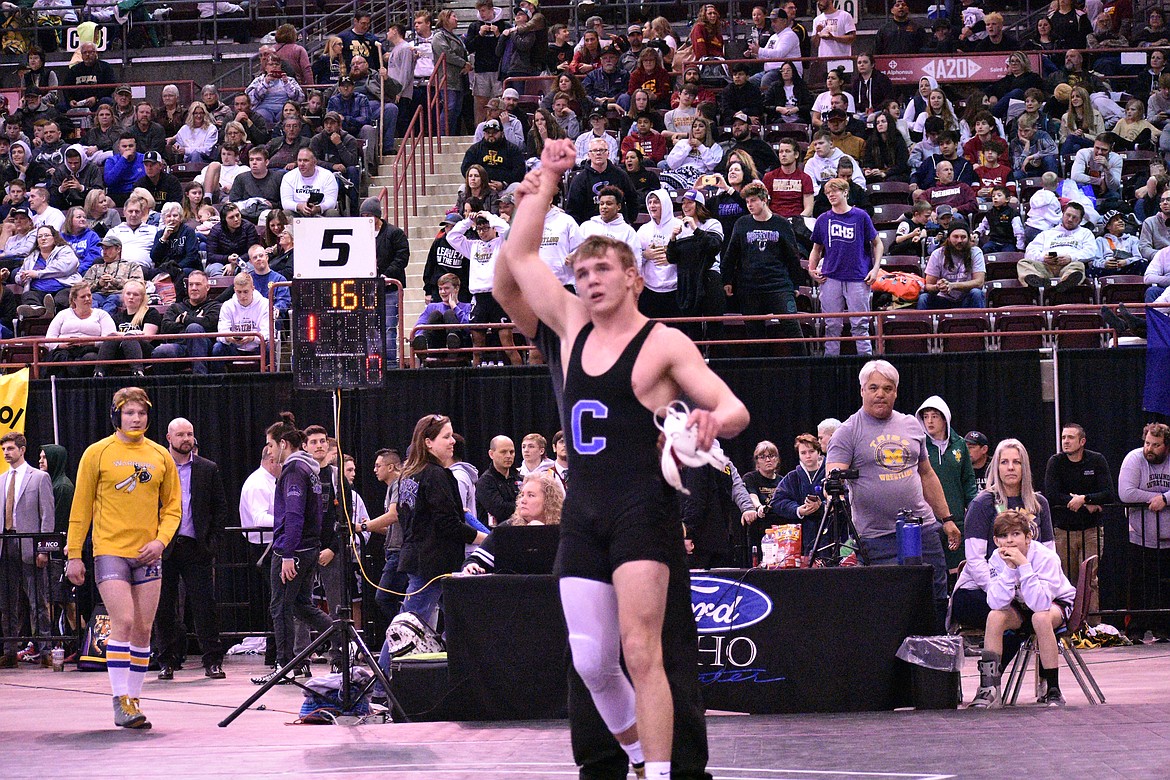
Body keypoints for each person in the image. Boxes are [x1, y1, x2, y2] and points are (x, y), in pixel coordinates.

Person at [493, 138, 750, 780]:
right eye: (580, 274)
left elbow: (733, 407)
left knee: (643, 651)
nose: (589, 282)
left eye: (602, 271)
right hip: (582, 512)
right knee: (590, 660)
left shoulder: (663, 340)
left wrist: (712, 419)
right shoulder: (572, 328)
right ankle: (633, 753)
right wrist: (547, 178)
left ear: (633, 276)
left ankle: (662, 772)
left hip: (642, 510)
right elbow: (519, 257)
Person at [65, 386, 181, 729]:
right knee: (125, 622)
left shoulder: (160, 455)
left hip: (148, 554)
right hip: (110, 551)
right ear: (116, 415)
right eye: (129, 412)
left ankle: (134, 701)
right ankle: (120, 700)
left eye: (141, 413)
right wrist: (74, 554)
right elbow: (81, 507)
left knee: (144, 629)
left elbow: (173, 508)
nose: (136, 418)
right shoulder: (97, 453)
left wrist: (160, 542)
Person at [825, 360, 962, 627]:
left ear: (896, 392)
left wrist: (946, 519)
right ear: (862, 390)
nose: (880, 394)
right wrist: (833, 487)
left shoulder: (911, 425)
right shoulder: (847, 431)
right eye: (873, 387)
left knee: (935, 597)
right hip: (876, 537)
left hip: (922, 531)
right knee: (886, 607)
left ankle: (934, 660)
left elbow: (927, 474)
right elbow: (834, 478)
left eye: (887, 388)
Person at [251, 413, 337, 685]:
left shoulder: (294, 470)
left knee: (281, 607)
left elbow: (295, 513)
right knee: (301, 605)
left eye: (272, 445)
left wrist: (288, 553)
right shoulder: (310, 469)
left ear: (284, 444)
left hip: (295, 551)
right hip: (308, 548)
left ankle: (286, 665)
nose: (269, 450)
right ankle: (343, 639)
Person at [969, 509, 1077, 708]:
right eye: (1003, 536)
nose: (1009, 541)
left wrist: (1024, 566)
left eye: (1015, 534)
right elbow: (995, 602)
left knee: (1040, 619)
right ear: (996, 540)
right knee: (994, 616)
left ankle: (1053, 688)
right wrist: (1010, 569)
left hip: (1055, 603)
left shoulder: (1046, 557)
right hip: (1020, 604)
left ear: (1028, 537)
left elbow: (1041, 604)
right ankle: (989, 688)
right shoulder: (996, 558)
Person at [396, 414, 487, 632]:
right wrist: (488, 540)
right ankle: (385, 667)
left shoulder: (410, 474)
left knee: (463, 621)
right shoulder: (435, 475)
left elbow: (407, 516)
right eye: (446, 437)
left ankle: (462, 663)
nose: (453, 441)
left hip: (423, 559)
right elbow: (449, 524)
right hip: (432, 565)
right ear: (428, 442)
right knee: (408, 628)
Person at [154, 418, 227, 681]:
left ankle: (213, 661)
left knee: (205, 606)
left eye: (190, 434)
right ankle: (166, 661)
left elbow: (220, 509)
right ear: (168, 437)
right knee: (164, 607)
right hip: (165, 547)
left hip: (197, 546)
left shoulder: (208, 469)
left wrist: (212, 544)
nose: (186, 439)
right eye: (181, 434)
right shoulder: (158, 468)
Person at [723, 182, 805, 346]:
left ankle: (805, 370)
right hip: (749, 287)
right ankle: (759, 371)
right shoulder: (742, 223)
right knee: (755, 336)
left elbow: (793, 256)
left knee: (793, 329)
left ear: (764, 200)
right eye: (747, 202)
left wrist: (796, 284)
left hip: (778, 285)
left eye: (753, 200)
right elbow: (731, 254)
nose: (749, 205)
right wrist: (727, 280)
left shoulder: (781, 223)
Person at [808, 178, 881, 357]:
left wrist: (875, 268)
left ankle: (866, 367)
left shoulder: (861, 216)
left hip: (858, 277)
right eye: (828, 192)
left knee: (860, 326)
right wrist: (811, 269)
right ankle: (831, 366)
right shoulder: (823, 219)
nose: (831, 195)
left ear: (845, 192)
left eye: (835, 191)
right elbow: (816, 248)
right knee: (831, 326)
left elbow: (877, 243)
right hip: (831, 276)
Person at [0, 431, 55, 668]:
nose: (6, 453)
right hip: (6, 543)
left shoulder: (39, 477)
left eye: (10, 448)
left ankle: (45, 649)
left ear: (22, 450)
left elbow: (47, 515)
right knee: (8, 603)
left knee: (38, 600)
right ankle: (10, 650)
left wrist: (43, 549)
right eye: (4, 449)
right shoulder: (2, 479)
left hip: (30, 545)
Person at [1044, 423, 1114, 599]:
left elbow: (1109, 494)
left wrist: (1084, 498)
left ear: (1082, 441)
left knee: (1089, 580)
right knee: (1065, 580)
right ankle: (1067, 624)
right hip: (1063, 531)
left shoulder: (1097, 460)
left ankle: (1091, 624)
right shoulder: (1056, 462)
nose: (1065, 441)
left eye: (1070, 437)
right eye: (1063, 437)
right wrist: (1081, 502)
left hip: (1091, 530)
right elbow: (1051, 495)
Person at [1117, 422, 1170, 641]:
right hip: (1140, 538)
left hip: (1168, 541)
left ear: (1166, 446)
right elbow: (1126, 493)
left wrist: (1165, 499)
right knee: (1138, 587)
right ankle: (1135, 631)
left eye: (1156, 445)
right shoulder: (1134, 459)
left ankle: (1164, 630)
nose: (1150, 448)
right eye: (1147, 443)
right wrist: (1154, 498)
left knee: (1166, 588)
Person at [916, 395, 978, 574]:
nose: (929, 421)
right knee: (931, 569)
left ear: (945, 418)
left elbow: (968, 480)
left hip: (956, 518)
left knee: (957, 569)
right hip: (927, 521)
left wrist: (974, 509)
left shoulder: (959, 445)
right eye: (926, 416)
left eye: (934, 416)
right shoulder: (919, 445)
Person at [463, 473, 564, 575]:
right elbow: (475, 560)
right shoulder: (507, 529)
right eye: (522, 495)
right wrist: (472, 565)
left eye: (531, 495)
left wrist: (542, 534)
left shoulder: (564, 531)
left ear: (548, 501)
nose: (523, 500)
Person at [1018, 202, 1094, 292]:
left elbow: (1091, 252)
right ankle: (1039, 282)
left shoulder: (1085, 233)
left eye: (1075, 217)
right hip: (1045, 267)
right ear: (1062, 214)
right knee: (1023, 263)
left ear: (1080, 220)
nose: (1070, 219)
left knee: (1079, 266)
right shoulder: (1047, 233)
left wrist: (1071, 258)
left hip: (1068, 266)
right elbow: (1030, 251)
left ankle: (1066, 284)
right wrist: (1043, 257)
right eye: (1068, 215)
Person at [771, 434, 826, 555]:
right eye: (803, 452)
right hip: (802, 537)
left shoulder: (830, 472)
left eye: (811, 451)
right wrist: (798, 510)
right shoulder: (793, 477)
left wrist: (823, 506)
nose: (808, 456)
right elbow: (777, 502)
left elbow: (846, 497)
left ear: (818, 451)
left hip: (828, 533)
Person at [94, 279, 158, 377]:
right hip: (121, 353)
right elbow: (109, 336)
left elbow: (148, 337)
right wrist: (134, 333)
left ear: (142, 298)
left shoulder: (151, 312)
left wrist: (124, 335)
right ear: (123, 296)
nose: (131, 297)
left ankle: (138, 372)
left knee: (129, 338)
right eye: (128, 294)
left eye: (135, 295)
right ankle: (99, 372)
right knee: (112, 339)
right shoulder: (117, 316)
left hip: (143, 352)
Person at [917, 223, 987, 309]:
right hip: (943, 299)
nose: (959, 240)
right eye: (955, 237)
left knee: (977, 293)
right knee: (923, 298)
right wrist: (938, 286)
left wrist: (952, 285)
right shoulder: (937, 254)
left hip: (966, 298)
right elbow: (928, 286)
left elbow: (979, 282)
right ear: (948, 238)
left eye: (963, 237)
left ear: (969, 239)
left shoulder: (976, 252)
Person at [212, 272, 270, 365]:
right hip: (234, 348)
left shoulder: (265, 304)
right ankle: (219, 379)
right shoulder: (227, 305)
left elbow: (268, 333)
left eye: (246, 291)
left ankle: (268, 379)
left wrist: (253, 338)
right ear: (234, 290)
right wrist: (229, 337)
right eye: (239, 292)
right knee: (218, 348)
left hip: (257, 348)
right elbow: (221, 333)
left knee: (269, 347)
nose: (242, 296)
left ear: (253, 289)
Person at [811, 0, 855, 71]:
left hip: (842, 61)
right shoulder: (817, 20)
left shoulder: (845, 16)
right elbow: (815, 44)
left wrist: (833, 38)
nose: (819, 3)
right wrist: (817, 33)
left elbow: (852, 38)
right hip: (823, 61)